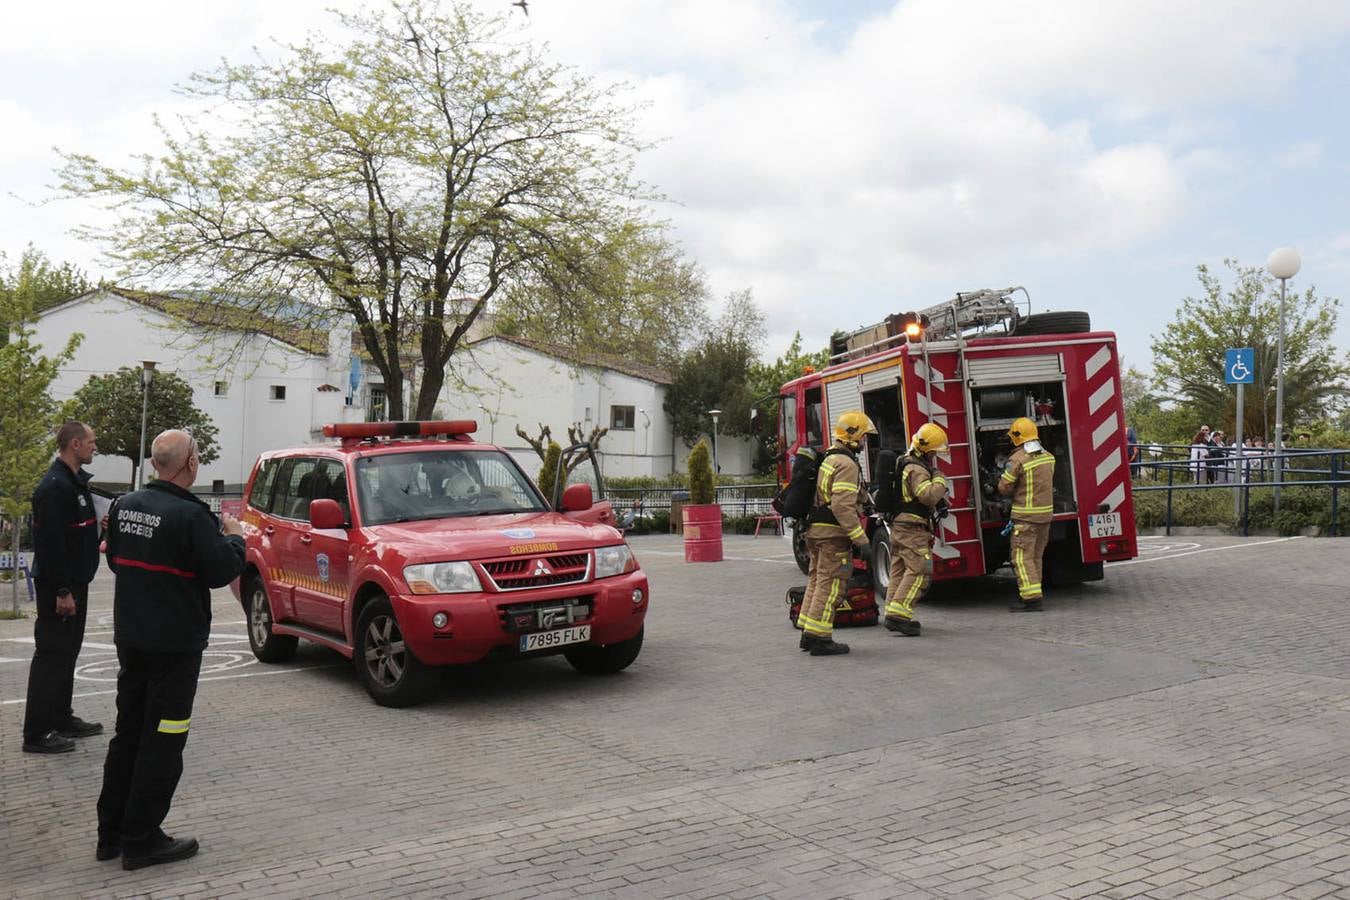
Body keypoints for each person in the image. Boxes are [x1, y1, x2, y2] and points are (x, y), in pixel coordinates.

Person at [95, 430, 246, 870]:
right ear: (190, 463)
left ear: (154, 464)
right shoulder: (191, 516)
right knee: (164, 738)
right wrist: (236, 538)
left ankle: (111, 834)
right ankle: (142, 839)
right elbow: (220, 571)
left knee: (128, 734)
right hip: (174, 646)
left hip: (132, 640)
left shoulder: (125, 506)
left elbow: (115, 560)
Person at [22, 421, 103, 755]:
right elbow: (50, 545)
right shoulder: (54, 488)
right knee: (52, 656)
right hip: (61, 588)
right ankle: (36, 733)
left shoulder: (75, 482)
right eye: (91, 441)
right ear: (75, 444)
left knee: (67, 653)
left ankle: (60, 717)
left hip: (76, 583)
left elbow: (76, 533)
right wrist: (62, 591)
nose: (95, 446)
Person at [798, 410, 875, 657]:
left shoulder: (830, 458)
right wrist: (861, 539)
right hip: (832, 535)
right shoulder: (846, 464)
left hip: (815, 531)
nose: (865, 441)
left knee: (817, 581)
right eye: (864, 436)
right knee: (831, 585)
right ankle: (821, 638)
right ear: (854, 436)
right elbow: (842, 506)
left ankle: (809, 632)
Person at [882, 423, 950, 636]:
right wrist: (940, 479)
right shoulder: (918, 469)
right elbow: (927, 496)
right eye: (934, 452)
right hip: (912, 529)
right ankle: (899, 616)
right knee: (920, 570)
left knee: (899, 570)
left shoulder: (904, 461)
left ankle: (892, 611)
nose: (935, 455)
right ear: (926, 450)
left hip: (899, 526)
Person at [998, 417, 1056, 612]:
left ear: (1016, 437)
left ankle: (1031, 599)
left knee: (1022, 559)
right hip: (1045, 517)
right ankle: (1035, 592)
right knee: (1035, 557)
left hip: (1025, 519)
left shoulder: (1017, 459)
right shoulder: (1048, 456)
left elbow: (1004, 487)